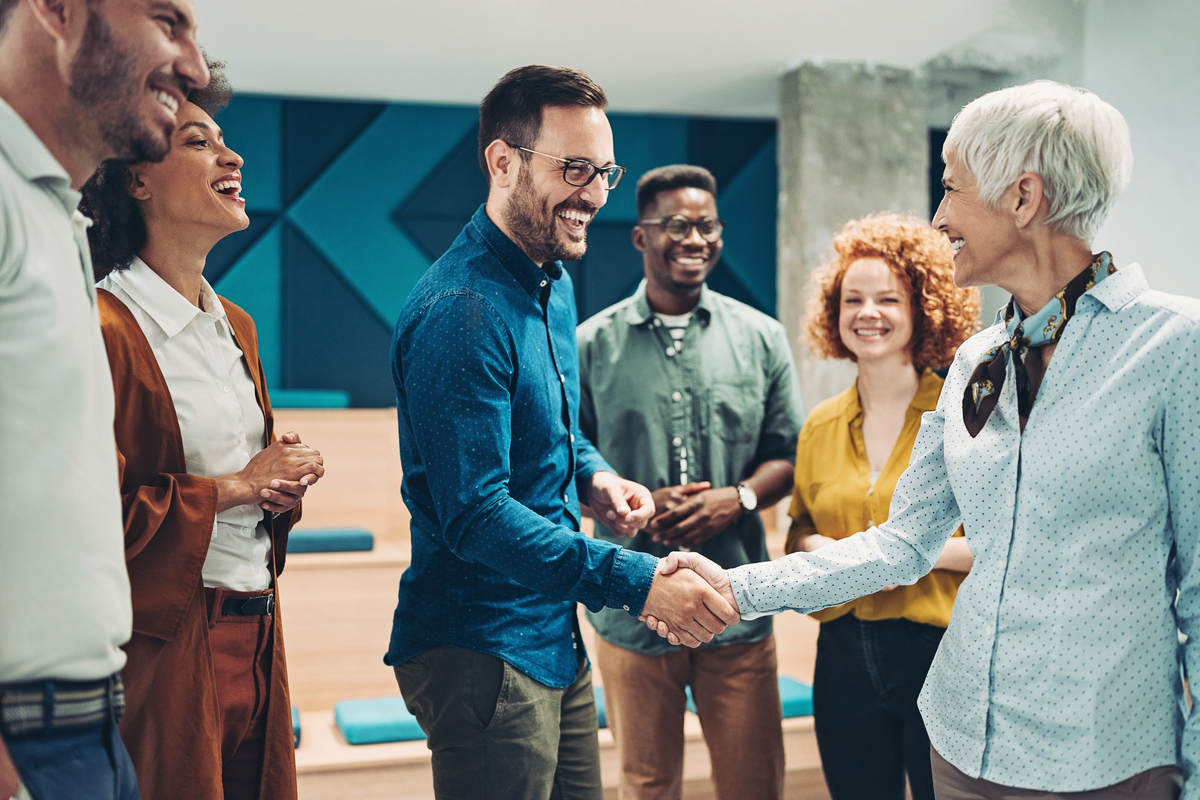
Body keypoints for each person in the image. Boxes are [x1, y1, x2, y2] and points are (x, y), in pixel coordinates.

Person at [651, 80, 1199, 799]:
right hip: (962, 745)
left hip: (1105, 761)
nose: (939, 218)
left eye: (952, 190)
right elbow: (901, 543)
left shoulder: (1174, 348)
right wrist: (735, 586)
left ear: (1023, 197)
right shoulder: (978, 362)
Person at [385, 65, 740, 800]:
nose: (595, 194)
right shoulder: (463, 309)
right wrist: (637, 580)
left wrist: (596, 476)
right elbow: (475, 515)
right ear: (503, 161)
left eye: (604, 170)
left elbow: (554, 435)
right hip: (481, 644)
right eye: (574, 169)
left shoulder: (551, 283)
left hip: (552, 629)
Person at [78, 61, 323, 800]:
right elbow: (91, 521)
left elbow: (245, 495)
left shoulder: (235, 326)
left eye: (225, 140)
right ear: (135, 180)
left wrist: (275, 484)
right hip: (162, 650)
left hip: (259, 631)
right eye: (196, 142)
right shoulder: (100, 326)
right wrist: (236, 486)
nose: (233, 156)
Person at [0, 1, 208, 798]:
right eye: (168, 21)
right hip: (28, 737)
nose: (192, 66)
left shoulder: (53, 209)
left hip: (85, 723)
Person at [576, 164, 804, 800]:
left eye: (708, 225)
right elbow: (566, 456)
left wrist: (739, 498)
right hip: (630, 608)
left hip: (737, 601)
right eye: (677, 224)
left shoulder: (762, 337)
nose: (695, 237)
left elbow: (788, 452)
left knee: (753, 784)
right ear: (641, 237)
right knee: (648, 786)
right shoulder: (589, 345)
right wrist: (627, 498)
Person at [787, 212, 977, 800]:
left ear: (924, 307)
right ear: (833, 313)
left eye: (888, 299)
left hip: (938, 649)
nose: (868, 314)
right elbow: (799, 533)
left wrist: (901, 557)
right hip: (842, 652)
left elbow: (1000, 544)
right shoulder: (819, 425)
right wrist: (829, 551)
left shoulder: (966, 415)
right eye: (853, 300)